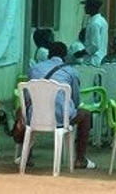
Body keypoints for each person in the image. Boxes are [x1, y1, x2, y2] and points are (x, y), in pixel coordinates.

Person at [28, 41, 96, 169]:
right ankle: (80, 159)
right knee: (86, 115)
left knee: (23, 110)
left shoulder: (35, 68)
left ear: (49, 54)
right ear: (65, 56)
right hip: (61, 118)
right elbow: (75, 100)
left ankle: (27, 156)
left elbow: (28, 96)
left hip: (35, 116)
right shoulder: (71, 72)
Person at [81, 0, 108, 66]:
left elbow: (95, 46)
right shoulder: (102, 20)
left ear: (92, 7)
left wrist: (80, 53)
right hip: (101, 58)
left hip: (92, 61)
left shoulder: (95, 23)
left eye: (86, 5)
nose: (84, 7)